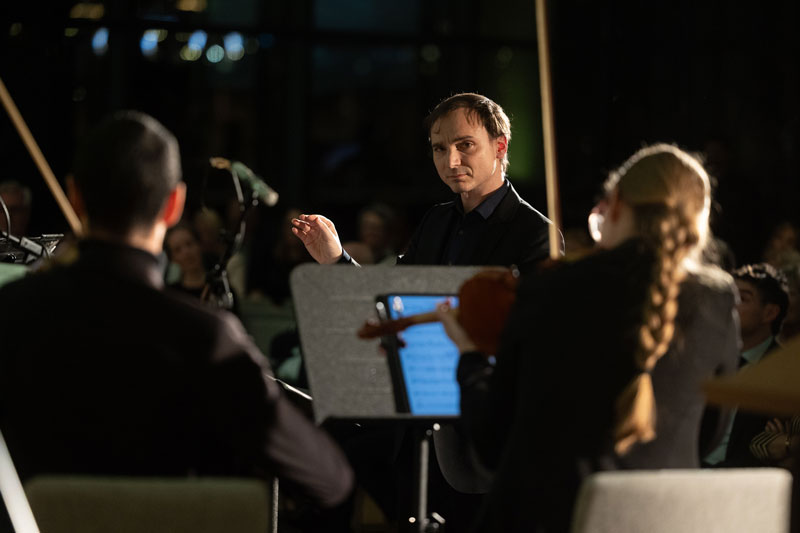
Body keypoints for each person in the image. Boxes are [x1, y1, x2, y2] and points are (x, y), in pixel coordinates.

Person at [0, 111, 353, 510]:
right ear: (174, 204)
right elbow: (330, 480)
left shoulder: (11, 312)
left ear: (75, 196)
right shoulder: (206, 338)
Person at [437, 143, 739, 532]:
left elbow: (493, 446)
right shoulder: (717, 297)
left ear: (614, 206)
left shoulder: (552, 287)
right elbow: (710, 438)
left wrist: (470, 354)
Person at [291, 93, 556, 529]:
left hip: (477, 436)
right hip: (417, 431)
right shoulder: (437, 221)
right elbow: (391, 303)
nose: (451, 160)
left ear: (501, 147)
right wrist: (336, 261)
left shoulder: (534, 234)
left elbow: (522, 348)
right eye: (439, 148)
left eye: (465, 144)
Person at [704, 263, 789, 467]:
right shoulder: (710, 354)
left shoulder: (785, 370)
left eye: (743, 298)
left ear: (769, 313)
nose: (731, 304)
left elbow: (773, 443)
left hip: (743, 479)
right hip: (693, 468)